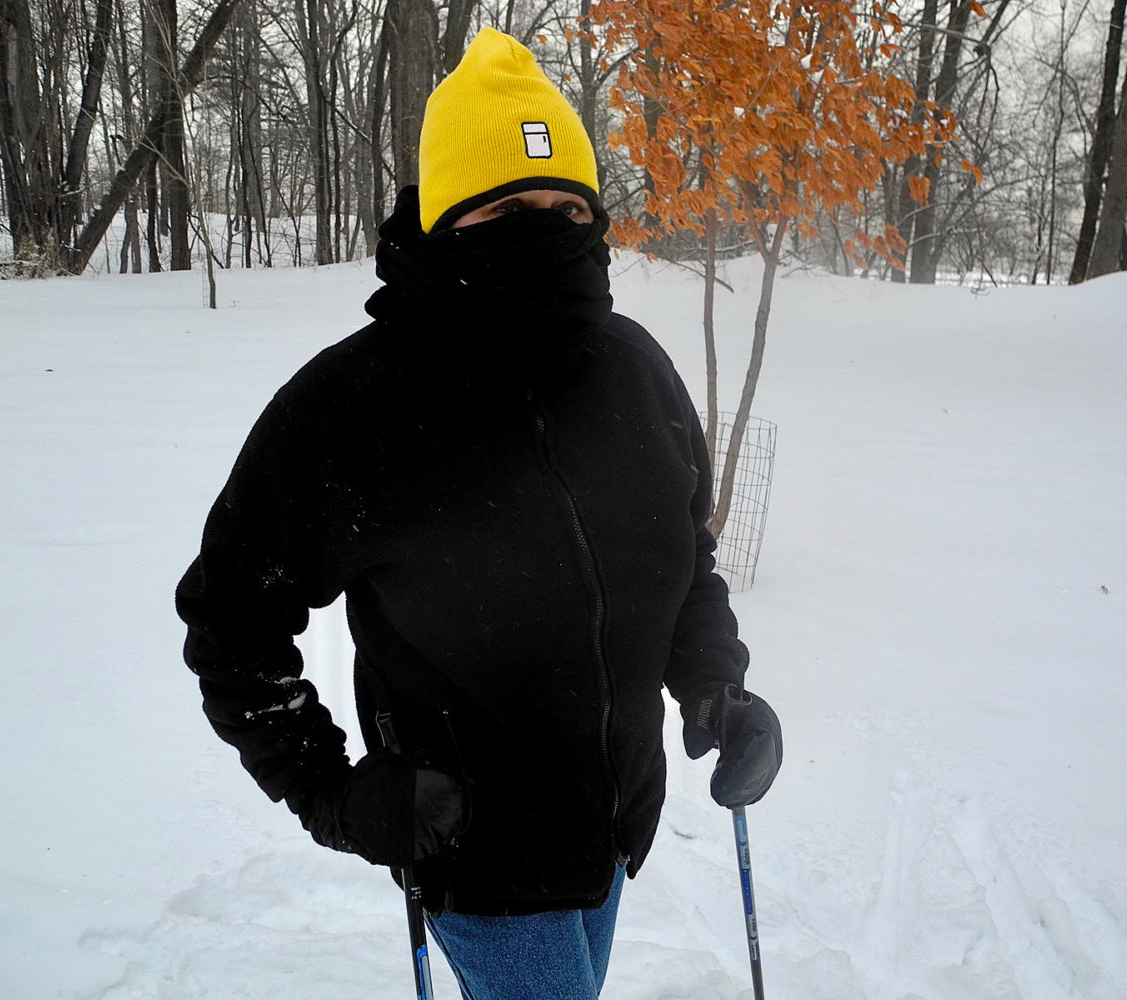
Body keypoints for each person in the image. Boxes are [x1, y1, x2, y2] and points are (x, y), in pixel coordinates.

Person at [176, 26, 782, 1000]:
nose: (540, 228)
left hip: (618, 819)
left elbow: (685, 558)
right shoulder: (353, 407)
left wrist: (714, 684)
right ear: (444, 216)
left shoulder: (634, 371)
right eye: (504, 205)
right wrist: (336, 794)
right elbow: (230, 622)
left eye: (562, 203)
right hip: (478, 858)